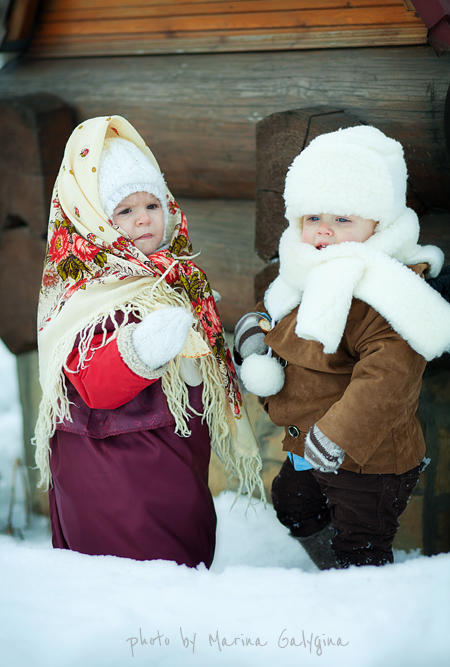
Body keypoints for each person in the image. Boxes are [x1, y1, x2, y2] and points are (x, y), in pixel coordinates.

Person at [34, 115, 264, 567]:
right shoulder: (86, 291)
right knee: (137, 572)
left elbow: (198, 360)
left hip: (174, 456)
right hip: (113, 470)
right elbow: (91, 382)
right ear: (92, 220)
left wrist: (235, 357)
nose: (143, 219)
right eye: (124, 211)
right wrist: (142, 348)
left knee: (183, 556)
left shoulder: (175, 277)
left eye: (152, 204)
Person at [234, 125, 450, 569]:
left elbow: (388, 377)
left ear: (378, 224)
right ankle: (332, 572)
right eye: (313, 217)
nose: (324, 230)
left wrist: (337, 437)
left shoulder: (386, 294)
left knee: (361, 539)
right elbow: (272, 313)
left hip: (366, 459)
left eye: (343, 219)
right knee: (294, 505)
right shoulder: (303, 272)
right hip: (306, 446)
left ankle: (357, 588)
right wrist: (254, 331)